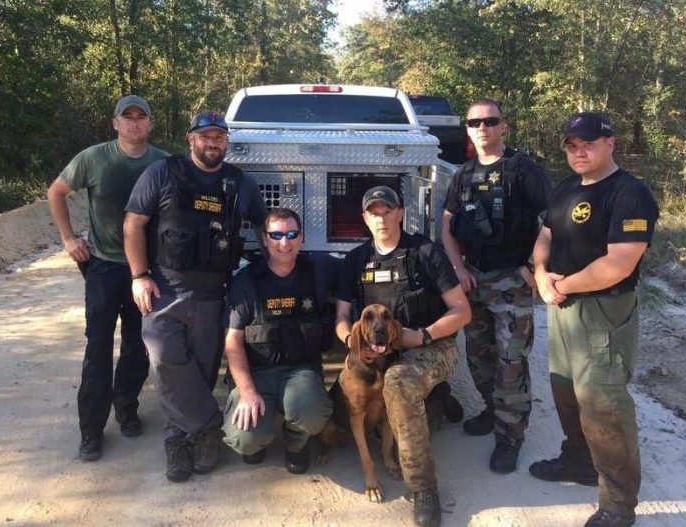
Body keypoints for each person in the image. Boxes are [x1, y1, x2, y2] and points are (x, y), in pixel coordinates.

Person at [528, 112, 658, 527]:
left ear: (610, 143)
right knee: (566, 391)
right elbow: (546, 236)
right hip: (563, 304)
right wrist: (541, 272)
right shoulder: (566, 188)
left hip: (603, 310)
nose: (578, 150)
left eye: (587, 142)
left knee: (605, 406)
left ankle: (618, 507)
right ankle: (580, 462)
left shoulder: (629, 193)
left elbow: (619, 263)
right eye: (571, 144)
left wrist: (563, 286)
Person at [123, 110, 267, 482]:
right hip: (164, 288)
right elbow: (133, 224)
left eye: (219, 137)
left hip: (211, 292)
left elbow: (266, 225)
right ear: (191, 139)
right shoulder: (162, 173)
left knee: (202, 370)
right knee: (167, 362)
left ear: (226, 142)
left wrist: (280, 260)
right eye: (205, 136)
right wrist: (139, 275)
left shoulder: (239, 184)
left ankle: (187, 440)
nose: (212, 142)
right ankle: (201, 429)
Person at [335, 186, 471, 527]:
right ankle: (437, 402)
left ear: (400, 214)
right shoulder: (355, 261)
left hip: (430, 346)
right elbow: (341, 318)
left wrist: (422, 335)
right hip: (376, 354)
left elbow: (462, 311)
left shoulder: (426, 253)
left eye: (387, 211)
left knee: (398, 382)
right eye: (374, 212)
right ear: (365, 218)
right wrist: (353, 344)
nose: (381, 218)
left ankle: (423, 488)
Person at [47, 95, 168, 462]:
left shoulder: (162, 163)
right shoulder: (94, 158)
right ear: (115, 123)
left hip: (145, 271)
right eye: (126, 117)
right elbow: (56, 192)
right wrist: (69, 238)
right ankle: (91, 430)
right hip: (102, 266)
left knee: (137, 345)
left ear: (150, 123)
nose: (134, 123)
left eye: (140, 117)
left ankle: (127, 408)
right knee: (97, 347)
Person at [440, 98, 551, 473]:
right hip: (475, 280)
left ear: (504, 126)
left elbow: (553, 221)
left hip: (512, 282)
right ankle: (493, 411)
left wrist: (535, 266)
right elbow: (446, 223)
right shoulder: (462, 174)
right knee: (479, 356)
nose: (483, 128)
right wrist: (457, 267)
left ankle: (510, 437)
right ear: (468, 130)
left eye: (491, 121)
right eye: (475, 123)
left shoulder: (523, 171)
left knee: (511, 362)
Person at [222, 208, 335, 474]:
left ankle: (296, 443)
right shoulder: (247, 280)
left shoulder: (318, 271)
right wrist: (247, 392)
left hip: (300, 371)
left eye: (291, 234)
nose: (284, 242)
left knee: (313, 414)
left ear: (301, 237)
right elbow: (233, 342)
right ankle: (257, 441)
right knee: (244, 438)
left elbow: (358, 264)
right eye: (276, 235)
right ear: (265, 238)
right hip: (256, 373)